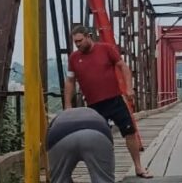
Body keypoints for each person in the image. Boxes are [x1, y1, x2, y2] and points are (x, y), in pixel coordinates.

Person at [64, 25, 152, 179]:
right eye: (75, 42)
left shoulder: (106, 49)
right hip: (93, 106)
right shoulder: (73, 58)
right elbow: (70, 81)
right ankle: (102, 174)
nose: (77, 45)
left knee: (130, 132)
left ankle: (139, 167)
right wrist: (68, 105)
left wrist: (129, 88)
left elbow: (123, 67)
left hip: (115, 100)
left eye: (80, 41)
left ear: (88, 36)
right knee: (98, 139)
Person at [47, 107, 115, 183]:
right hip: (97, 130)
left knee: (59, 179)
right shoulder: (97, 115)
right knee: (103, 179)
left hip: (60, 134)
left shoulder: (56, 120)